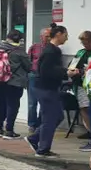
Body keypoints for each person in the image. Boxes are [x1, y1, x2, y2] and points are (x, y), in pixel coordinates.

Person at [26, 24, 69, 157]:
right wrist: (66, 72)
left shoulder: (51, 49)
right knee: (50, 118)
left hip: (48, 88)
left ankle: (34, 138)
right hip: (46, 89)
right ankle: (43, 149)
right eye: (65, 35)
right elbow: (46, 71)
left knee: (57, 116)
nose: (66, 38)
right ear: (59, 34)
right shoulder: (51, 51)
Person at [0, 29, 31, 139]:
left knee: (0, 103)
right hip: (14, 83)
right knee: (13, 105)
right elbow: (28, 67)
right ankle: (9, 130)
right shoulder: (19, 51)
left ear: (7, 37)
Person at [69, 31, 91, 141]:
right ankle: (90, 130)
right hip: (79, 84)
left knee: (90, 109)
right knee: (83, 108)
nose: (84, 45)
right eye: (83, 43)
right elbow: (71, 65)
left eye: (86, 42)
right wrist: (73, 70)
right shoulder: (81, 52)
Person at [26, 27, 51, 132]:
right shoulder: (34, 47)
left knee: (44, 101)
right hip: (34, 76)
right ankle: (32, 124)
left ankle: (40, 123)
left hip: (46, 77)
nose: (49, 38)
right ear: (41, 37)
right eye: (46, 36)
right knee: (32, 102)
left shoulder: (52, 48)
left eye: (50, 36)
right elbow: (28, 61)